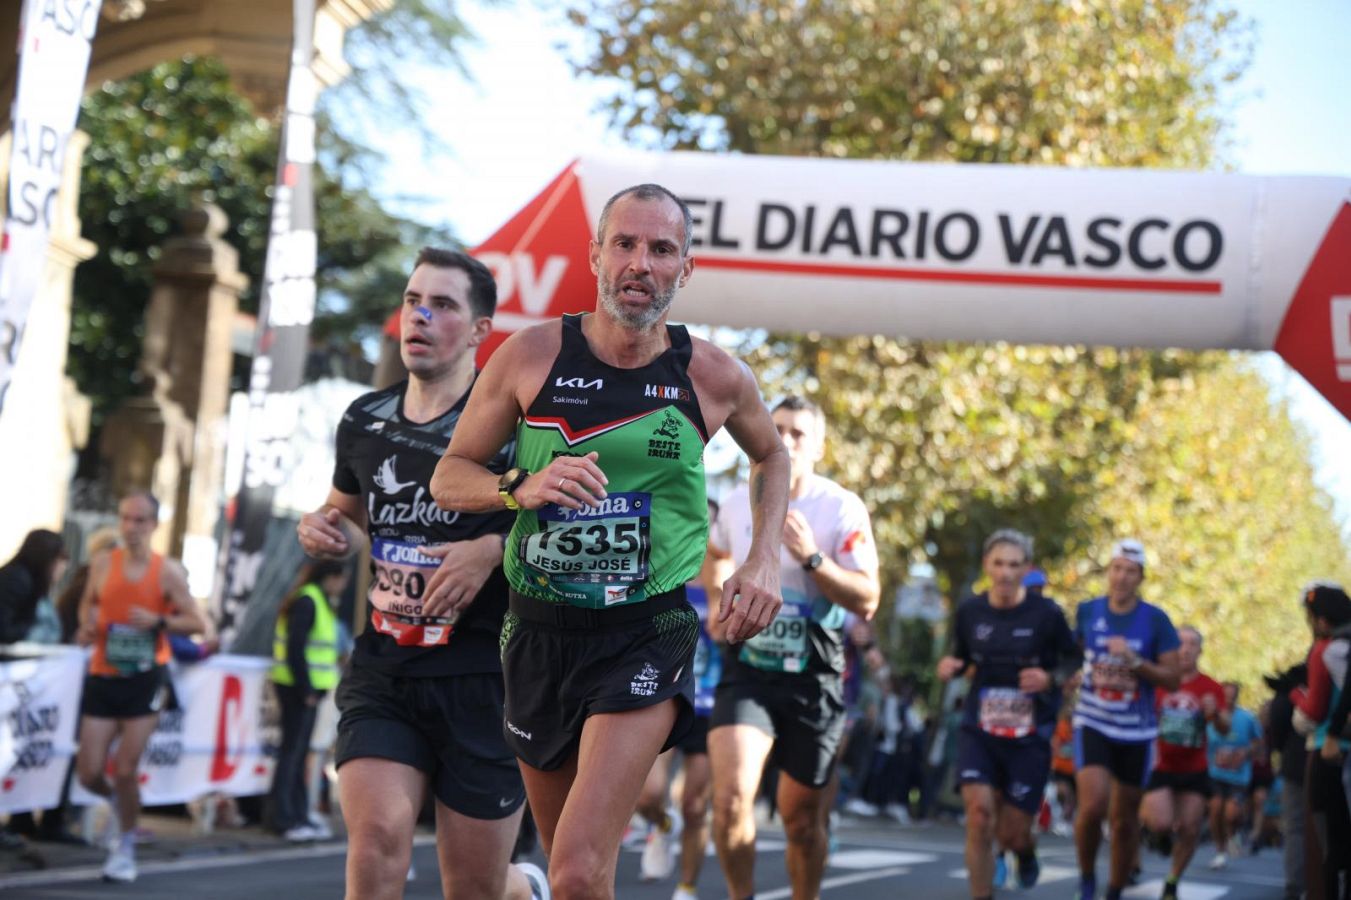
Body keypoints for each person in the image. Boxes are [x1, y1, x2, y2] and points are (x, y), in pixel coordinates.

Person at [430, 182, 789, 900]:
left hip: (644, 631)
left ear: (685, 268)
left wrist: (763, 557)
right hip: (537, 632)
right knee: (575, 872)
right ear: (595, 255)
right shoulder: (531, 355)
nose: (640, 263)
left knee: (577, 867)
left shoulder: (712, 375)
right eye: (624, 244)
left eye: (661, 249)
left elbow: (772, 455)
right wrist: (520, 486)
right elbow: (450, 475)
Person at [296, 247, 548, 900]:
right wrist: (322, 527)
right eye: (413, 301)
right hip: (387, 668)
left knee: (474, 887)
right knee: (377, 839)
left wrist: (491, 547)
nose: (421, 316)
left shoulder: (517, 426)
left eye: (442, 305)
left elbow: (563, 525)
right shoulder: (365, 419)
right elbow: (350, 515)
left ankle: (524, 887)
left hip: (484, 676)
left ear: (480, 329)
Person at [702, 395, 880, 900]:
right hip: (748, 670)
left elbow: (868, 598)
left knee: (801, 821)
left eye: (799, 433)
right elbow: (715, 553)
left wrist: (813, 558)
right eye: (778, 428)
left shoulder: (840, 507)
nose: (786, 440)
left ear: (819, 446)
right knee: (730, 800)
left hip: (814, 676)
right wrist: (716, 602)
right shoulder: (736, 502)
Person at [937, 529, 1080, 900]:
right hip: (980, 729)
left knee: (1012, 832)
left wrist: (1049, 678)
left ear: (1026, 568)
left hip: (1029, 736)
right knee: (980, 815)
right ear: (987, 565)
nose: (1005, 573)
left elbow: (1072, 659)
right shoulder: (970, 611)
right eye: (998, 564)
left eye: (1014, 565)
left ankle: (1025, 851)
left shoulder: (1047, 614)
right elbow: (961, 655)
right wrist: (952, 666)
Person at [74, 492, 207, 883]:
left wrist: (158, 621)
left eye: (140, 520)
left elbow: (196, 623)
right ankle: (122, 806)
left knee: (125, 768)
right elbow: (88, 604)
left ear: (153, 525)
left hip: (145, 678)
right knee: (88, 773)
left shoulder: (166, 572)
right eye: (125, 518)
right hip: (104, 673)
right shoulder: (103, 563)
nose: (131, 527)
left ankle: (125, 844)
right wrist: (87, 625)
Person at [1071, 539, 1181, 900]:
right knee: (1093, 805)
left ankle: (1114, 890)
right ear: (1109, 571)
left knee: (1124, 821)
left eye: (1130, 571)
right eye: (1116, 569)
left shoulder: (1156, 620)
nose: (1121, 577)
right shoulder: (1088, 611)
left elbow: (1173, 678)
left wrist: (1135, 661)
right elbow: (1071, 656)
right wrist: (1066, 676)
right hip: (1093, 720)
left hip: (1136, 731)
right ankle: (1087, 878)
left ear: (1141, 577)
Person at [633, 540, 721, 898]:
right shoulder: (664, 565)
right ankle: (664, 825)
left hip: (710, 704)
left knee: (695, 806)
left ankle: (686, 888)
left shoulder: (729, 577)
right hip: (666, 695)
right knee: (647, 795)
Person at [1138, 625, 1228, 898]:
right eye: (1180, 643)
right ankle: (1156, 834)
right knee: (1161, 823)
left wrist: (1215, 713)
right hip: (1160, 765)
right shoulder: (1157, 681)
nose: (1185, 649)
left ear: (1200, 651)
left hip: (1194, 768)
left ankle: (1172, 881)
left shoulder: (1210, 687)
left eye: (1192, 644)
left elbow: (1225, 727)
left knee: (1190, 828)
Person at [267, 558, 349, 841]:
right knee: (292, 753)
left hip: (304, 688)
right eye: (343, 579)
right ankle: (284, 819)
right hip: (299, 689)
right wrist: (307, 690)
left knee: (298, 753)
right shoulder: (309, 601)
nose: (343, 586)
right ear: (332, 577)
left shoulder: (314, 599)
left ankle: (298, 815)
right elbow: (295, 647)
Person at [1291, 583, 1351, 900]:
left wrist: (1293, 693)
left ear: (1321, 620)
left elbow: (1315, 709)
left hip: (1328, 750)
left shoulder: (1325, 650)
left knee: (1328, 845)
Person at [1205, 681, 1259, 869]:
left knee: (1230, 814)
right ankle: (1220, 850)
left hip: (1239, 775)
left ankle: (1234, 833)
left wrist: (1244, 753)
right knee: (1215, 809)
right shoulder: (1210, 717)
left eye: (1232, 696)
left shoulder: (1248, 718)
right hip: (1214, 772)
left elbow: (1258, 743)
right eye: (1225, 695)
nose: (1228, 699)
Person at [0, 529, 68, 644]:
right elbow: (4, 630)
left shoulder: (28, 580)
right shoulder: (17, 580)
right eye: (60, 558)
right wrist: (30, 629)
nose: (63, 566)